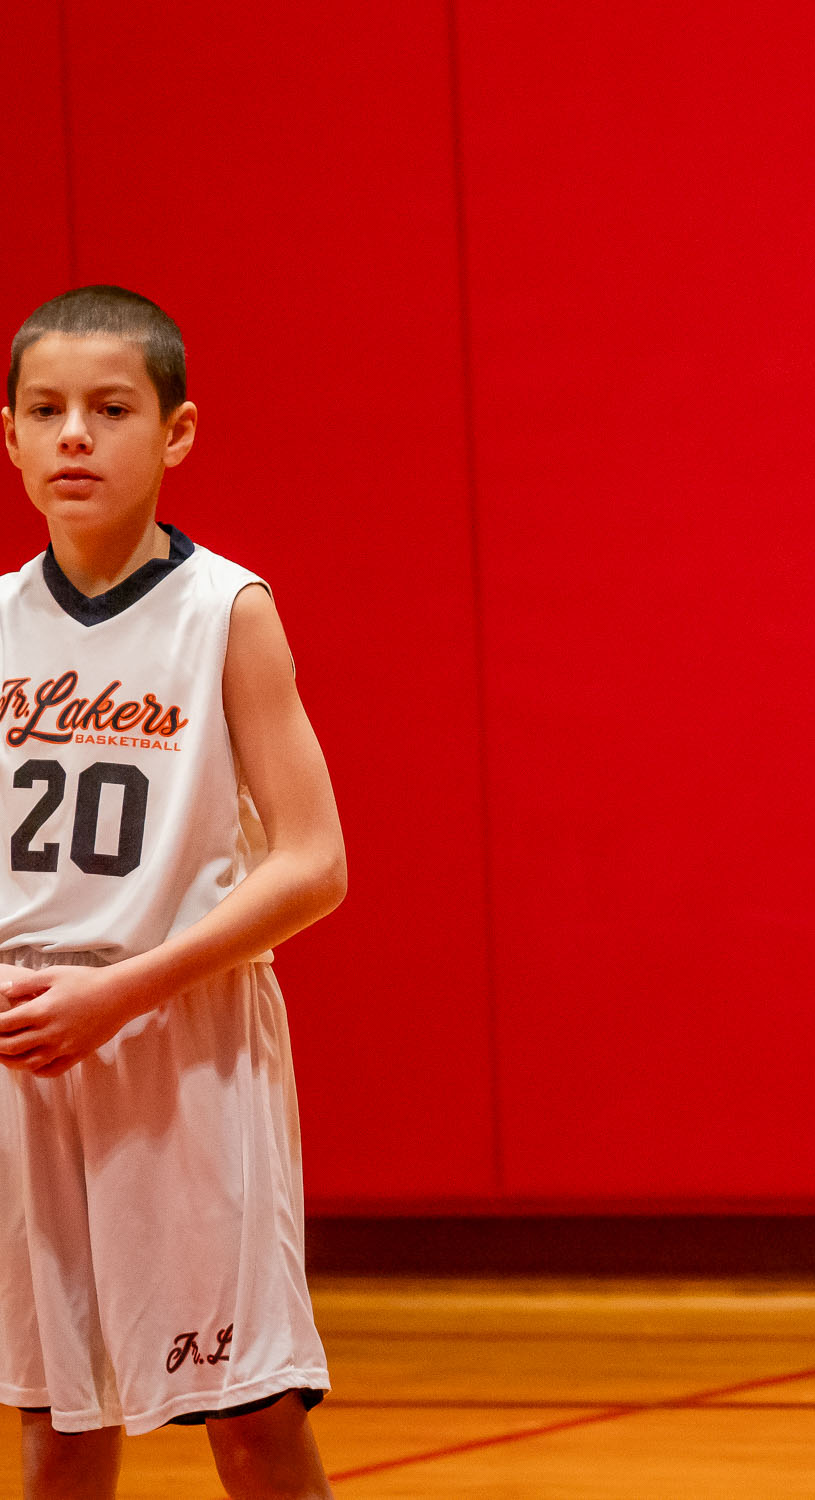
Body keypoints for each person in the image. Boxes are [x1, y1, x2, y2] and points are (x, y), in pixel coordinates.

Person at [0, 286, 345, 1499]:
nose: (75, 435)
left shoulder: (225, 611)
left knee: (247, 1419)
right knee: (58, 1429)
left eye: (109, 407)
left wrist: (125, 990)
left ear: (177, 431)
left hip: (182, 1038)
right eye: (45, 410)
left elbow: (315, 864)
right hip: (28, 1058)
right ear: (13, 438)